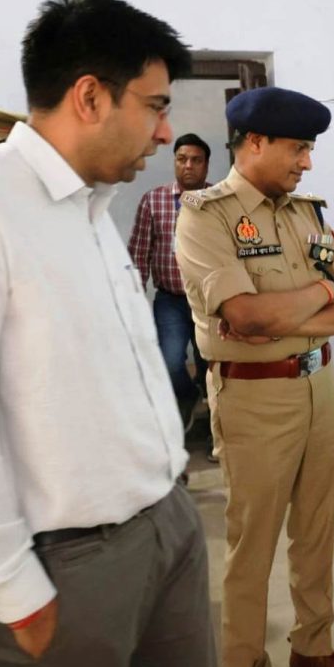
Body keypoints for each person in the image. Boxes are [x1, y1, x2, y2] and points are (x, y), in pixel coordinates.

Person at [0, 0, 217, 667]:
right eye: (155, 106)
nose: (165, 133)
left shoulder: (90, 207)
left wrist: (174, 512)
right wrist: (8, 585)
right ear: (89, 97)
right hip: (64, 564)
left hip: (164, 524)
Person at [176, 87, 334, 667]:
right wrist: (319, 295)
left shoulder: (307, 213)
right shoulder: (206, 216)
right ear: (256, 142)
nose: (307, 162)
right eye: (298, 148)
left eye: (309, 150)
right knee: (253, 545)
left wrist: (296, 308)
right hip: (254, 398)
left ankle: (313, 651)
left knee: (316, 530)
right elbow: (247, 316)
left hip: (319, 385)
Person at [127, 133, 212, 441]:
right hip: (171, 301)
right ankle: (188, 395)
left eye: (196, 160)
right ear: (174, 162)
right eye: (182, 159)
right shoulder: (154, 200)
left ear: (206, 165)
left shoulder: (220, 200)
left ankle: (217, 429)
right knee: (169, 361)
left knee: (212, 365)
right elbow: (139, 253)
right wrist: (134, 302)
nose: (188, 166)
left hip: (210, 301)